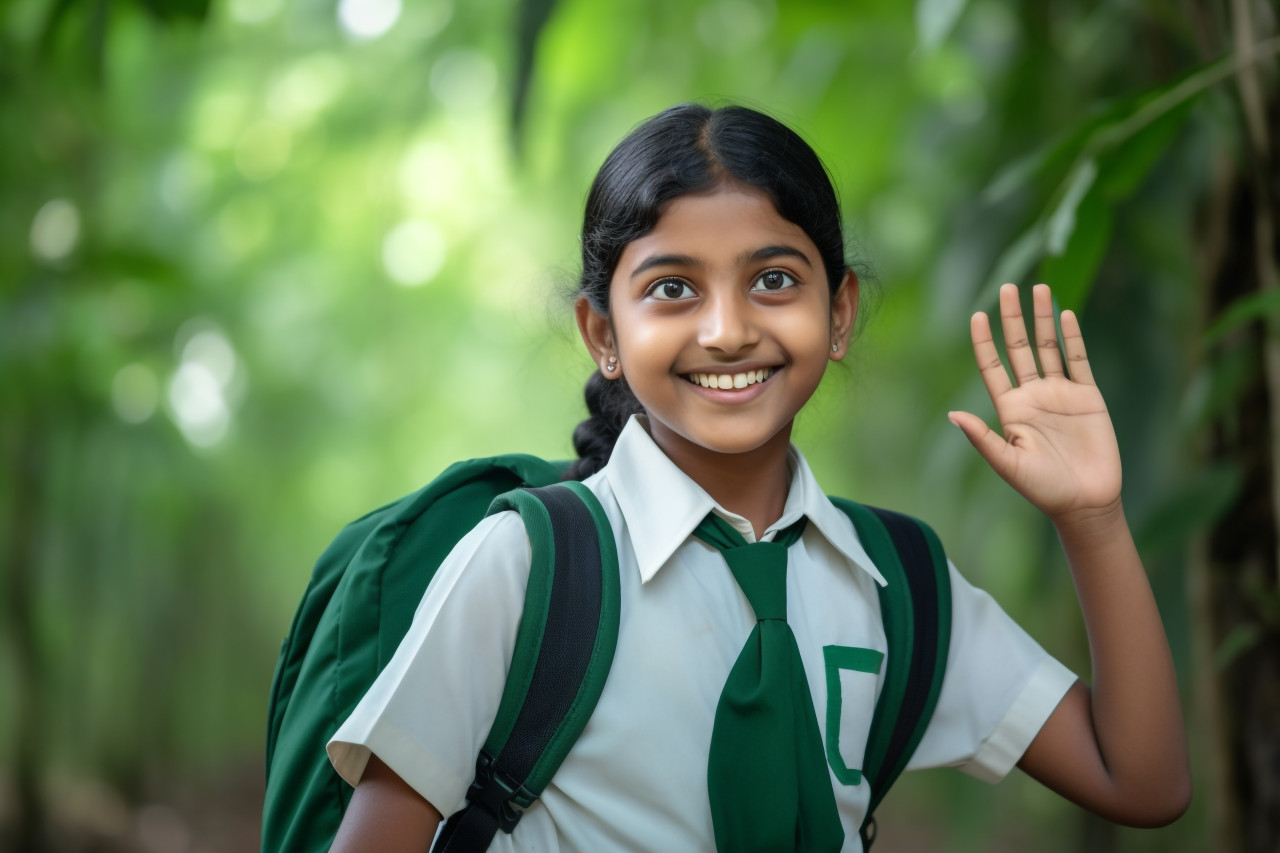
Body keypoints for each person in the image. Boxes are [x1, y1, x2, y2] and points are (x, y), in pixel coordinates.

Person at [324, 103, 1191, 852]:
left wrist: (1094, 519)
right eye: (672, 288)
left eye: (774, 279)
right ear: (604, 336)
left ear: (839, 312)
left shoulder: (902, 584)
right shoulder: (526, 565)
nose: (729, 329)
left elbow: (1141, 782)